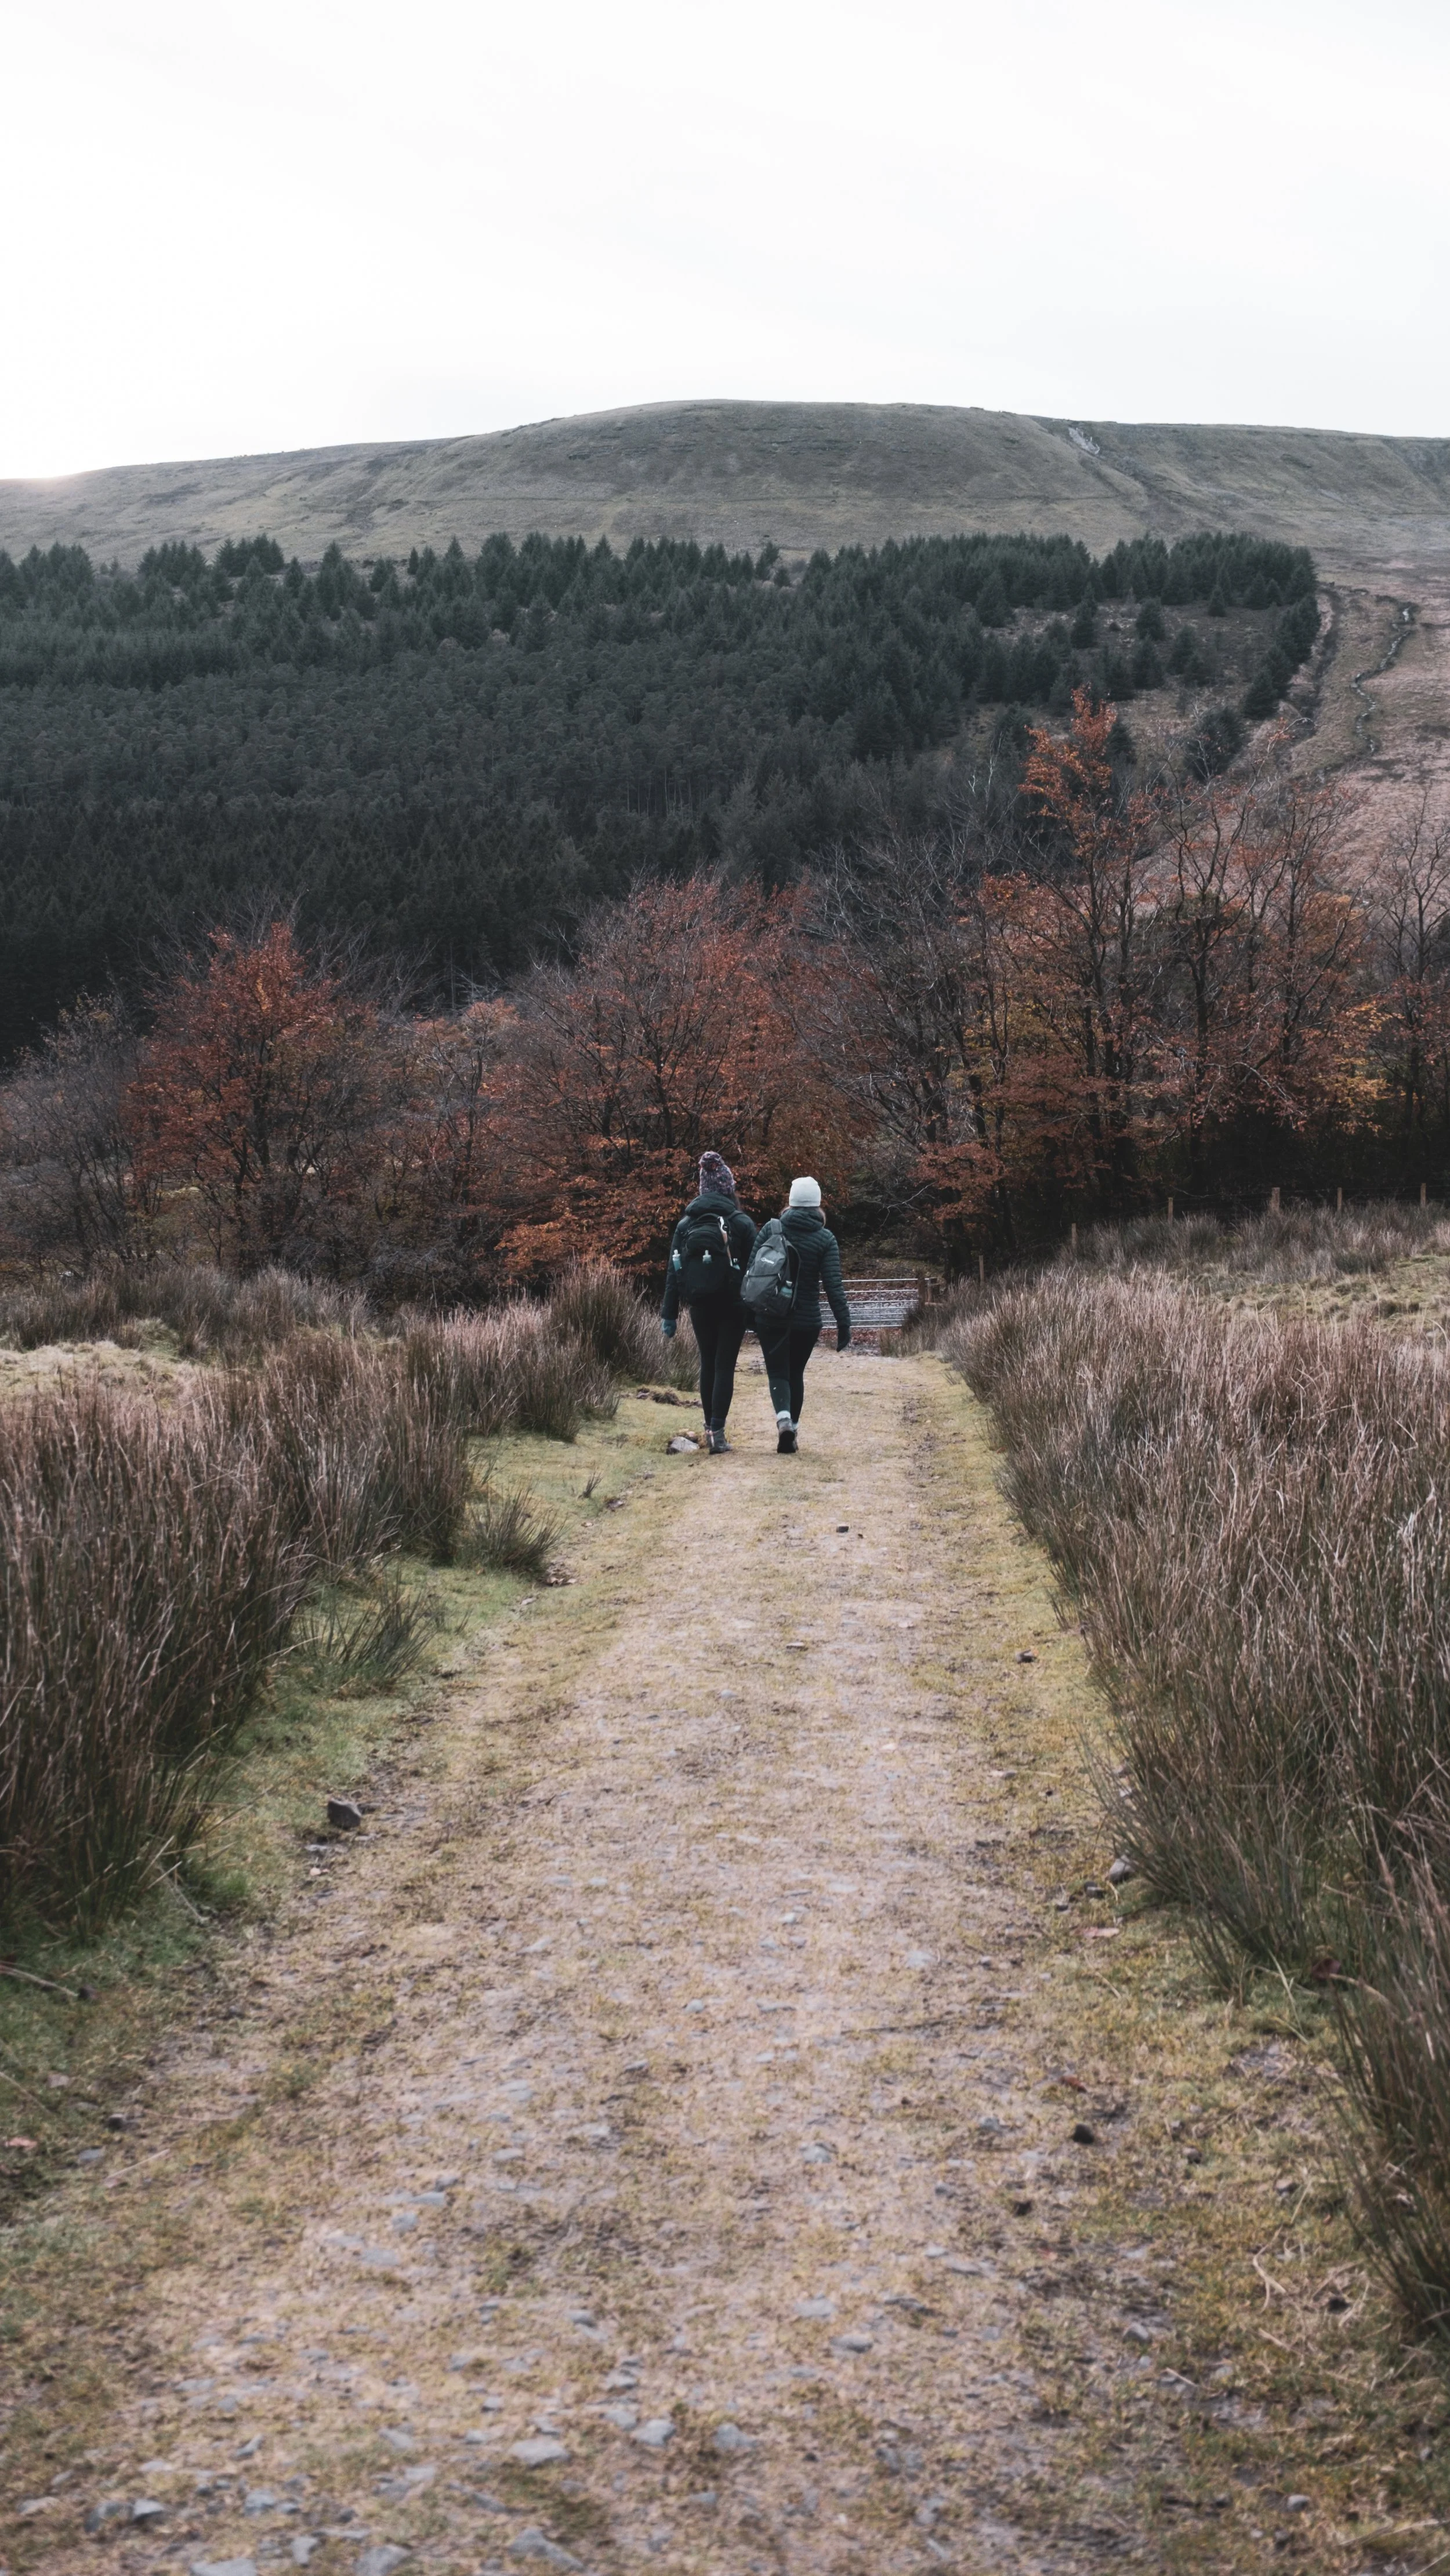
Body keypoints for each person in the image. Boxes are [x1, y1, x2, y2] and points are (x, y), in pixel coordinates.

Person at [660, 1151, 757, 1454]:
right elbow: (754, 1273)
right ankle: (718, 1432)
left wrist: (670, 1314)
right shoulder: (741, 1223)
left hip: (699, 1305)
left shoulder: (685, 1224)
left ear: (702, 1189)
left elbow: (674, 1272)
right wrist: (757, 1316)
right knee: (724, 1366)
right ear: (729, 1188)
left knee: (707, 1364)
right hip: (733, 1305)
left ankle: (707, 1428)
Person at [754, 1175, 851, 1453]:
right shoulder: (825, 1238)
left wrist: (750, 1316)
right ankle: (792, 1430)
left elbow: (753, 1275)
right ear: (817, 1204)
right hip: (806, 1320)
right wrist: (843, 1323)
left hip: (770, 1317)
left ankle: (783, 1421)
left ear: (791, 1202)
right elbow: (834, 1285)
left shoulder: (770, 1231)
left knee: (777, 1372)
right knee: (795, 1373)